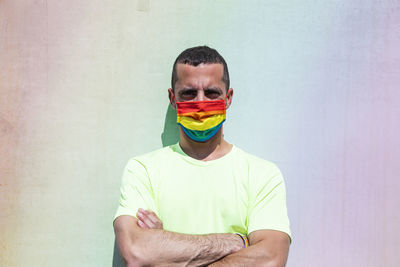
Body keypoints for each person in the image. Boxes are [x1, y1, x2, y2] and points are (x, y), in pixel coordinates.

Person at [113, 46, 291, 266]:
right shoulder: (143, 170)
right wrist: (237, 242)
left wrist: (166, 248)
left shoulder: (262, 174)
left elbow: (271, 258)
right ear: (172, 98)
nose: (201, 104)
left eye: (211, 93)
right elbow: (137, 251)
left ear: (228, 98)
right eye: (188, 93)